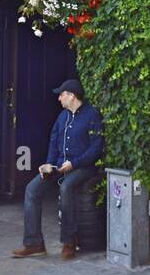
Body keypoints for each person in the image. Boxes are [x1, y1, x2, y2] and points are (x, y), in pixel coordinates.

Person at [12, 79, 104, 260]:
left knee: (66, 187)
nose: (59, 98)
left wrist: (74, 163)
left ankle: (69, 241)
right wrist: (48, 164)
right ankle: (34, 244)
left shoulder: (92, 115)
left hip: (82, 167)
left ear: (72, 95)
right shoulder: (62, 116)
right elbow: (54, 142)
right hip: (59, 166)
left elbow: (96, 148)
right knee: (32, 190)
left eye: (62, 94)